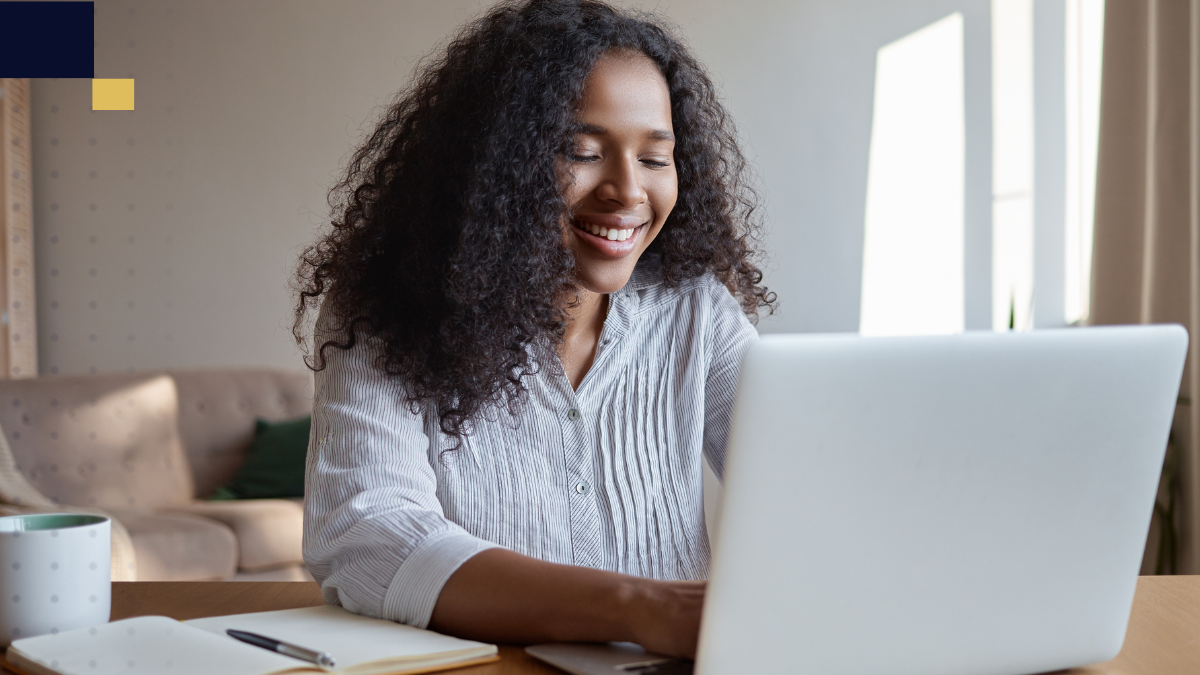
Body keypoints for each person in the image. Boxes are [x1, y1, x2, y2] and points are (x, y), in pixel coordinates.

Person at [293, 0, 774, 659]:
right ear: (497, 163)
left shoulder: (696, 308)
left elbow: (806, 479)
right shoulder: (385, 309)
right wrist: (639, 605)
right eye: (581, 151)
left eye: (656, 158)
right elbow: (367, 535)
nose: (627, 191)